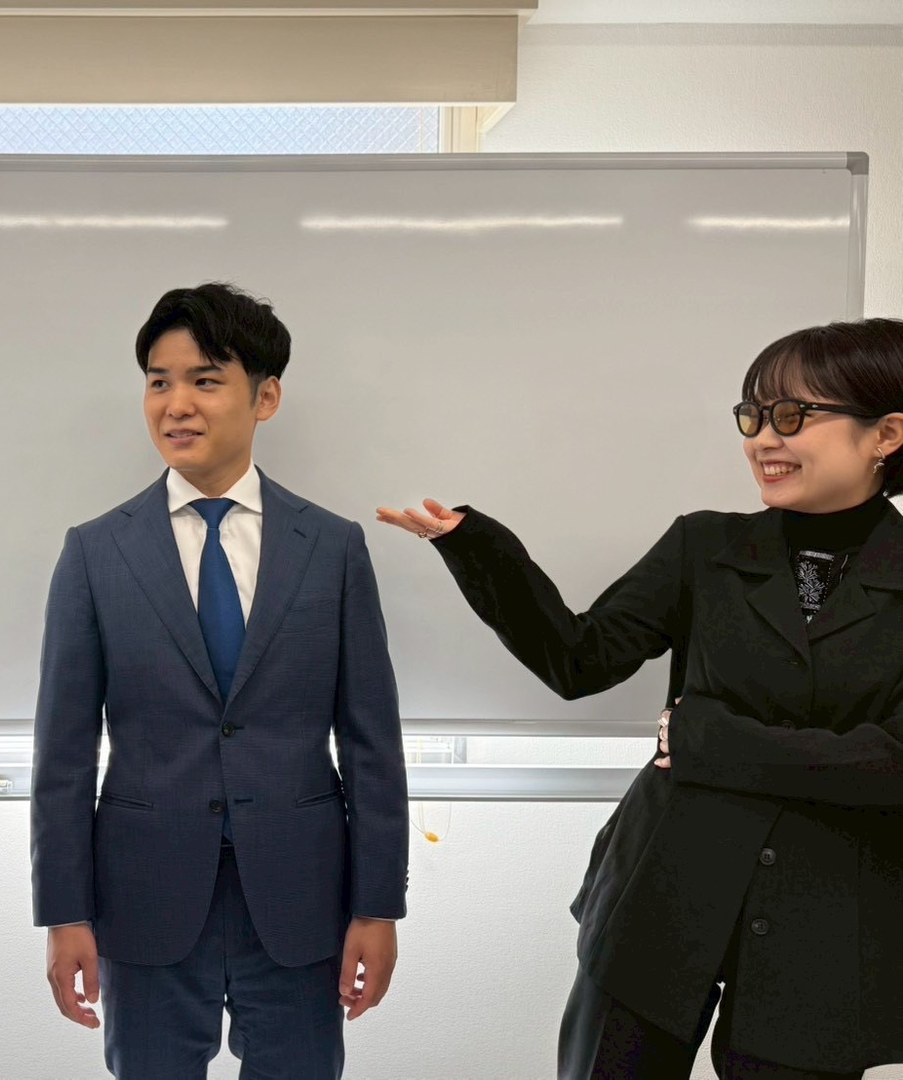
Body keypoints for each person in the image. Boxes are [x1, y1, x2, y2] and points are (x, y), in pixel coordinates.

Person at [378, 318, 903, 1079]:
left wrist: (705, 738)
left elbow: (892, 765)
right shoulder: (705, 546)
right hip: (662, 892)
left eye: (793, 416)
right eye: (753, 416)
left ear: (886, 433)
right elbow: (579, 660)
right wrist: (480, 550)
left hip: (825, 926)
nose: (764, 439)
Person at [31, 282, 409, 1079]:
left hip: (301, 894)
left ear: (265, 397)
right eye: (158, 382)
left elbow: (372, 743)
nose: (177, 405)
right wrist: (64, 913)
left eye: (205, 381)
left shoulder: (331, 548)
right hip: (145, 893)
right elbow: (63, 754)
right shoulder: (95, 552)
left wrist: (378, 905)